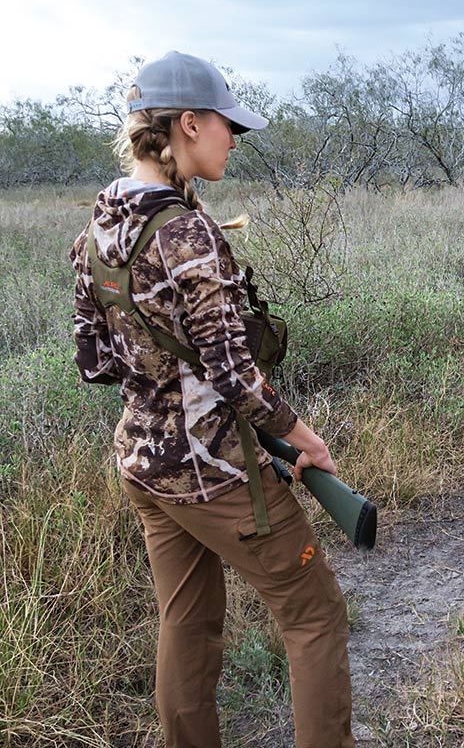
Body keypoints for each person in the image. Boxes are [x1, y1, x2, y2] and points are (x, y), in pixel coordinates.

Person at [69, 51, 355, 748]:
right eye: (229, 126)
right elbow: (232, 369)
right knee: (314, 615)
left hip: (143, 464)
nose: (235, 139)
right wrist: (303, 438)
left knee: (187, 622)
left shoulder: (98, 230)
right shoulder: (186, 232)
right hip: (215, 473)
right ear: (188, 126)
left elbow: (94, 363)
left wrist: (161, 372)